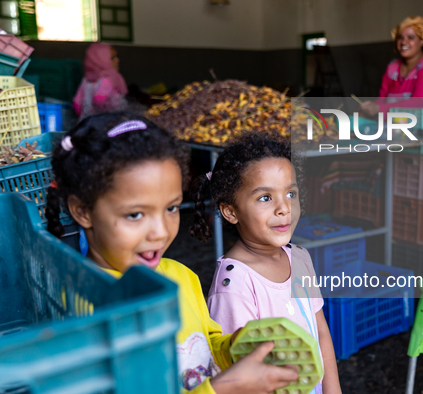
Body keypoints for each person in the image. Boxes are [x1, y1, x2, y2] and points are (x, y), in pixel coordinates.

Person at [44, 113, 299, 394]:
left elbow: (206, 346)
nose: (160, 232)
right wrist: (225, 387)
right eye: (136, 214)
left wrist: (235, 346)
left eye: (171, 208)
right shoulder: (87, 308)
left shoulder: (180, 276)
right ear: (83, 211)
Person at [190, 133, 342, 394]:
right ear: (231, 211)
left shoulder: (300, 258)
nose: (284, 208)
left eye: (291, 193)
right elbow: (237, 371)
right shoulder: (234, 283)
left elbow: (321, 333)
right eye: (265, 198)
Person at [360, 16, 423, 116]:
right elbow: (382, 99)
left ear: (422, 41)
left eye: (410, 37)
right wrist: (368, 110)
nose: (404, 42)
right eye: (400, 37)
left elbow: (418, 103)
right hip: (395, 125)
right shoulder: (392, 67)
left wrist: (378, 108)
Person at [73, 43, 128, 120]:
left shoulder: (86, 80)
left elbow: (77, 104)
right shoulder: (108, 79)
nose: (117, 60)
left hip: (86, 124)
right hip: (106, 124)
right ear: (100, 60)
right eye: (112, 58)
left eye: (117, 57)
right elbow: (100, 100)